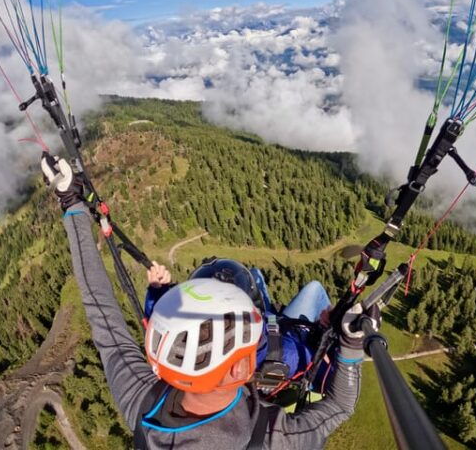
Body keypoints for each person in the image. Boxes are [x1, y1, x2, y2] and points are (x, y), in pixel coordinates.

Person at [41, 153, 379, 449]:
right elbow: (339, 405)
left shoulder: (146, 403)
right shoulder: (270, 436)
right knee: (314, 292)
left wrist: (71, 204)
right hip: (299, 359)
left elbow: (100, 308)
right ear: (238, 368)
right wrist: (70, 202)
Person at [144, 259, 332, 388]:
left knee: (254, 273)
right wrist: (329, 330)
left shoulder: (191, 350)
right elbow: (323, 372)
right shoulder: (287, 355)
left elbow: (165, 325)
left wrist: (158, 291)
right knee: (314, 289)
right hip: (284, 332)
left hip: (268, 326)